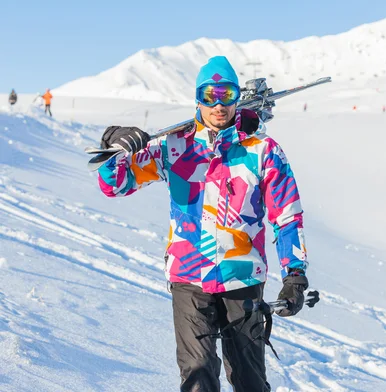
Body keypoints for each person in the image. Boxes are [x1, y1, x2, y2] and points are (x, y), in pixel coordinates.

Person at [96, 56, 309, 392]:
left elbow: (286, 215)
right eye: (210, 95)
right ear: (198, 98)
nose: (218, 104)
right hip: (189, 277)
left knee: (249, 379)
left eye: (226, 94)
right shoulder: (174, 147)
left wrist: (294, 273)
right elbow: (115, 185)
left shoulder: (262, 150)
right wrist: (115, 142)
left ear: (237, 97)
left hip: (242, 278)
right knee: (197, 375)